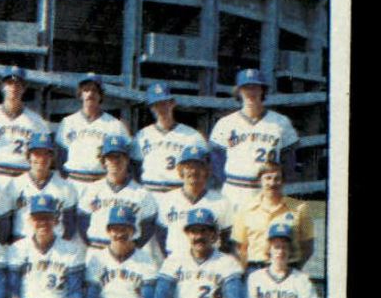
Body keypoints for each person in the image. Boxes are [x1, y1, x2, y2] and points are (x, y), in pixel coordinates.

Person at [209, 68, 299, 211]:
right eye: (246, 88)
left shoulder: (280, 122)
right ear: (238, 91)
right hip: (235, 191)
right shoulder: (225, 123)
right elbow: (217, 161)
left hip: (267, 189)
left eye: (255, 87)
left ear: (263, 90)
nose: (250, 92)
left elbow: (288, 160)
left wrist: (277, 185)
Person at [54, 73, 131, 196]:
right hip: (74, 182)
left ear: (101, 95)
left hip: (101, 183)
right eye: (86, 90)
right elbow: (60, 156)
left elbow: (126, 159)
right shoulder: (68, 122)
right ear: (80, 94)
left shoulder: (115, 125)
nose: (90, 94)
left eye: (95, 90)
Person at [76, 135, 157, 250]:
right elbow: (82, 222)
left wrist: (134, 247)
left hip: (126, 251)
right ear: (104, 161)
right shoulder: (91, 190)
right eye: (110, 157)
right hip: (97, 249)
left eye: (118, 157)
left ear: (127, 159)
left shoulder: (142, 194)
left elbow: (148, 227)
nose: (115, 161)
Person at [0, 65, 51, 187]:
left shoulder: (37, 121)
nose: (14, 87)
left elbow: (44, 155)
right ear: (1, 87)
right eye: (9, 83)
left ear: (24, 88)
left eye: (18, 84)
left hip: (23, 177)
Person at [154, 145, 234, 258]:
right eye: (188, 167)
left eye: (199, 167)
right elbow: (161, 235)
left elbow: (227, 238)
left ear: (207, 171)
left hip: (209, 261)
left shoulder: (221, 201)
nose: (194, 171)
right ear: (180, 170)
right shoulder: (167, 200)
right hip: (176, 260)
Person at [232, 160, 314, 269]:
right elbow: (240, 247)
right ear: (259, 181)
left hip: (289, 267)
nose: (272, 183)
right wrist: (247, 271)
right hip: (256, 267)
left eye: (277, 178)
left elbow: (307, 246)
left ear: (283, 181)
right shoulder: (245, 209)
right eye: (268, 178)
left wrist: (295, 269)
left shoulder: (300, 208)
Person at [131, 82, 207, 193]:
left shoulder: (192, 136)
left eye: (164, 103)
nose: (161, 108)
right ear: (151, 108)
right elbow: (135, 167)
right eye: (156, 105)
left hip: (178, 191)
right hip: (150, 190)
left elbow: (204, 168)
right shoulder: (142, 135)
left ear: (172, 103)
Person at [5, 132, 78, 242]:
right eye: (37, 153)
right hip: (21, 242)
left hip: (55, 243)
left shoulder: (66, 187)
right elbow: (5, 221)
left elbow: (69, 225)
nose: (42, 158)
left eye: (46, 154)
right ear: (29, 156)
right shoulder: (15, 185)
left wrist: (62, 244)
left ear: (52, 157)